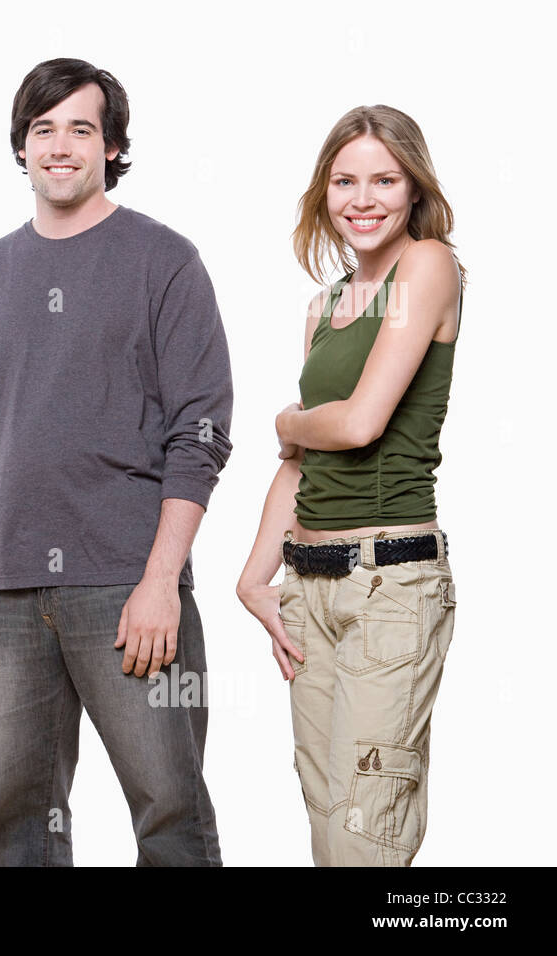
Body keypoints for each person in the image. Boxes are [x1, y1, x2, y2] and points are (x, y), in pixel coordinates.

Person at [0, 58, 233, 866]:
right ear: (22, 147)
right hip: (5, 597)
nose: (60, 146)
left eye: (80, 128)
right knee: (18, 827)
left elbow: (201, 435)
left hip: (127, 586)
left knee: (171, 813)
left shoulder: (164, 261)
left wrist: (161, 582)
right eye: (42, 129)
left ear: (112, 145)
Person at [236, 105, 463, 866]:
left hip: (390, 584)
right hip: (310, 589)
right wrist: (253, 577)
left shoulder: (428, 265)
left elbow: (360, 424)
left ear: (413, 188)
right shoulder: (324, 307)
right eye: (344, 181)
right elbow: (298, 464)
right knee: (329, 826)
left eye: (384, 179)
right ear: (322, 193)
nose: (363, 199)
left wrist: (289, 417)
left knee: (367, 834)